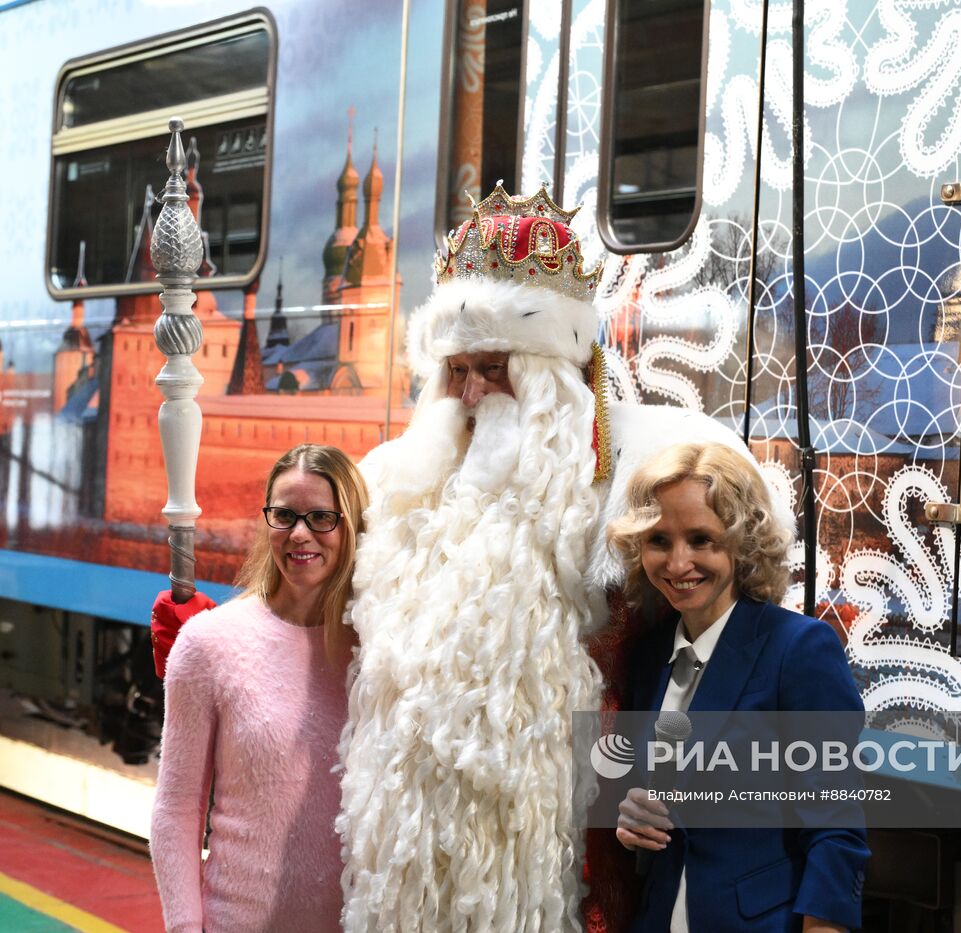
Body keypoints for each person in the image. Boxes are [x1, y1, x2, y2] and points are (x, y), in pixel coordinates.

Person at [337, 185, 795, 932]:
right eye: (457, 368)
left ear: (556, 369)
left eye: (495, 364)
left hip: (574, 853)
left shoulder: (642, 467)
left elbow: (735, 653)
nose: (474, 390)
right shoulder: (399, 479)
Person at [608, 442, 869, 932]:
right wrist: (632, 821)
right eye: (659, 540)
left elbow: (835, 831)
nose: (678, 563)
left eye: (702, 539)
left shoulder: (799, 650)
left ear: (742, 541)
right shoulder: (648, 656)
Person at [150, 443, 368, 933]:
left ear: (351, 525)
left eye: (321, 518)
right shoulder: (208, 644)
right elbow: (177, 809)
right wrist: (185, 928)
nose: (299, 533)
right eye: (284, 514)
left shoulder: (382, 653)